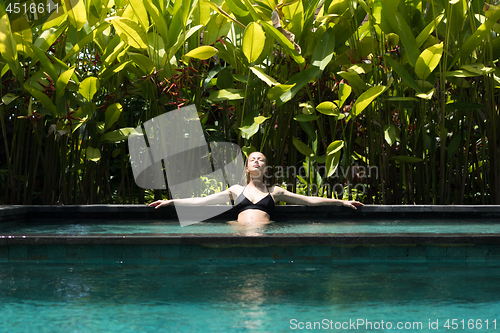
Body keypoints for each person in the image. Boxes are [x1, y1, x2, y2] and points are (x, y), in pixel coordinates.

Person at [148, 151, 364, 222]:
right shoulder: (235, 190)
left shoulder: (275, 192)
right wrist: (171, 201)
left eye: (261, 159)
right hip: (238, 234)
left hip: (265, 235)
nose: (256, 161)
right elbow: (202, 201)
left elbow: (308, 200)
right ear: (246, 167)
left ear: (266, 168)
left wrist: (342, 201)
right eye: (252, 159)